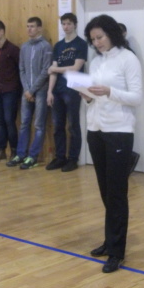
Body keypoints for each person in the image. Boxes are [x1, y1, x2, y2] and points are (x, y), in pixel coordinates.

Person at [83, 14, 142, 274]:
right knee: (105, 191)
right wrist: (86, 95)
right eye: (93, 39)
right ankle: (110, 240)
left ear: (111, 34)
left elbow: (137, 97)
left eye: (100, 37)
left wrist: (109, 91)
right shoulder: (96, 61)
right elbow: (92, 96)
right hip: (95, 129)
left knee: (117, 193)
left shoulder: (128, 59)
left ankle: (117, 251)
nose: (97, 43)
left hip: (119, 130)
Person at [6, 17, 52, 170]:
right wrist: (27, 90)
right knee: (24, 123)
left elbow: (46, 70)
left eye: (32, 26)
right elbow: (22, 69)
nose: (29, 29)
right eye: (27, 26)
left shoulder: (46, 46)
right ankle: (20, 154)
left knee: (38, 124)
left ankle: (33, 156)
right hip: (26, 92)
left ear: (39, 28)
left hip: (41, 91)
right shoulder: (24, 47)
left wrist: (32, 90)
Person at [46, 13, 88, 172]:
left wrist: (54, 69)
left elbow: (76, 68)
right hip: (58, 90)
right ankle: (60, 157)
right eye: (63, 23)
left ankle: (73, 159)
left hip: (73, 89)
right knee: (58, 126)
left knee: (73, 125)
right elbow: (53, 71)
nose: (66, 26)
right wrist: (50, 91)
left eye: (69, 23)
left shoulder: (81, 44)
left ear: (75, 25)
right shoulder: (58, 45)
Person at [0, 20, 21, 162]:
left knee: (9, 120)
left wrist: (18, 89)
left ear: (2, 31)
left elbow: (20, 69)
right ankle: (1, 150)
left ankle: (14, 150)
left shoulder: (13, 49)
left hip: (10, 90)